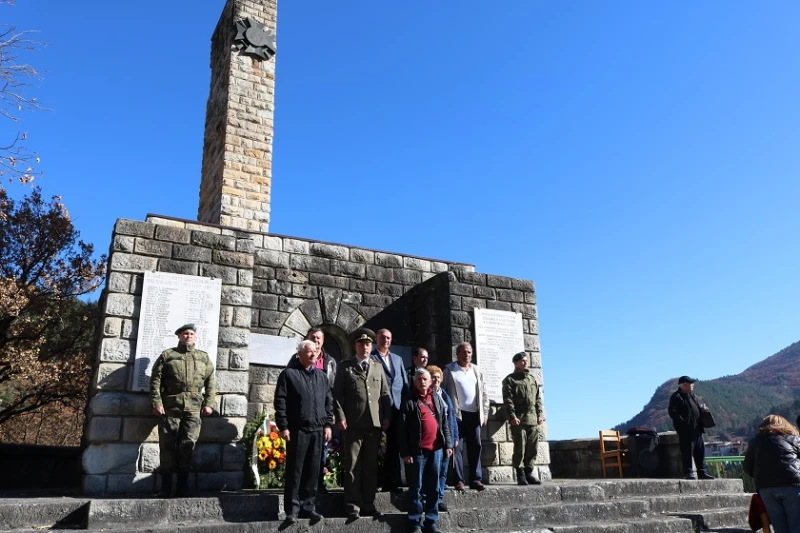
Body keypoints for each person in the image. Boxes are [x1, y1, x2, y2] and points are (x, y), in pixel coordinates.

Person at [149, 323, 216, 497]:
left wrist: (209, 403)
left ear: (195, 336)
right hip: (171, 407)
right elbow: (155, 380)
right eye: (185, 333)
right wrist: (157, 403)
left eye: (191, 333)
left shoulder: (203, 358)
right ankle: (165, 488)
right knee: (167, 446)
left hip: (194, 409)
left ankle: (182, 488)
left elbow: (211, 383)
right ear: (179, 336)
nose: (188, 336)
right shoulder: (168, 355)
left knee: (188, 445)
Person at [274, 339, 334, 525]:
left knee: (313, 470)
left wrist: (327, 424)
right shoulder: (289, 375)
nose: (313, 354)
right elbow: (280, 402)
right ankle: (292, 510)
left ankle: (309, 507)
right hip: (297, 430)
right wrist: (283, 427)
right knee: (295, 471)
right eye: (308, 351)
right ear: (299, 354)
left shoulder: (322, 377)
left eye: (315, 351)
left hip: (317, 429)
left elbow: (328, 401)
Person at [333, 329, 391, 519]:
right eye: (361, 344)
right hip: (353, 424)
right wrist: (340, 416)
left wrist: (386, 417)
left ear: (372, 346)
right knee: (352, 466)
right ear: (355, 346)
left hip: (374, 425)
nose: (365, 347)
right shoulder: (345, 367)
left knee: (370, 466)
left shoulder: (377, 367)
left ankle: (368, 503)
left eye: (368, 344)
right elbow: (337, 396)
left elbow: (384, 394)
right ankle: (352, 505)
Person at [398, 368, 453, 533]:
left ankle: (431, 522)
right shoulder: (409, 400)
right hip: (417, 452)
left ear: (430, 382)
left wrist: (448, 445)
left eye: (425, 379)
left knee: (434, 488)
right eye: (419, 379)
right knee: (416, 488)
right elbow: (402, 430)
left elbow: (444, 424)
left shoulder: (436, 398)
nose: (422, 382)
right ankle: (415, 522)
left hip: (436, 451)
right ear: (415, 382)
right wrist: (405, 452)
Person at [442, 342, 489, 491]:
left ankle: (476, 479)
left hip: (474, 414)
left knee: (476, 447)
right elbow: (443, 392)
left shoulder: (477, 370)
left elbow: (484, 393)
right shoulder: (450, 370)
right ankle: (459, 480)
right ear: (457, 354)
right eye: (463, 352)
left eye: (469, 352)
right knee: (457, 448)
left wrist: (485, 413)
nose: (466, 355)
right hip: (457, 414)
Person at [743, 415, 800, 533]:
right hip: (792, 485)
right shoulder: (793, 438)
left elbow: (747, 467)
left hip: (766, 489)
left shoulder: (755, 442)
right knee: (796, 524)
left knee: (779, 527)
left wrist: (762, 478)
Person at [370, 328, 409, 493]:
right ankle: (373, 482)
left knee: (394, 447)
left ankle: (391, 482)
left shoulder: (398, 359)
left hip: (397, 408)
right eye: (382, 337)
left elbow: (404, 385)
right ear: (376, 339)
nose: (385, 340)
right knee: (374, 446)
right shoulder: (371, 358)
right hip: (378, 408)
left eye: (388, 338)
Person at [501, 351, 544, 485]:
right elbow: (508, 400)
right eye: (522, 361)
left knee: (533, 447)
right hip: (519, 419)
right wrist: (512, 416)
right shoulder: (510, 380)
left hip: (533, 419)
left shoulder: (532, 379)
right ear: (515, 363)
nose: (525, 362)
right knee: (520, 447)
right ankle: (520, 474)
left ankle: (529, 472)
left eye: (526, 360)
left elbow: (537, 398)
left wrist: (540, 414)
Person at [667, 375, 714, 480]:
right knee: (687, 452)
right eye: (691, 383)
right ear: (684, 384)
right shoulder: (676, 397)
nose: (693, 385)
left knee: (700, 452)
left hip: (697, 429)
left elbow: (696, 409)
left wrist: (703, 411)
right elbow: (672, 412)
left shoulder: (693, 396)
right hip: (686, 431)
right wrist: (683, 423)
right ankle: (688, 472)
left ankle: (702, 472)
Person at [427, 365, 459, 512]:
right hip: (433, 439)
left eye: (438, 377)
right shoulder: (425, 395)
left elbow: (452, 416)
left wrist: (455, 437)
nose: (436, 380)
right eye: (433, 377)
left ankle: (439, 499)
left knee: (443, 471)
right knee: (433, 470)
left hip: (447, 439)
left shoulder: (445, 395)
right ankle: (429, 499)